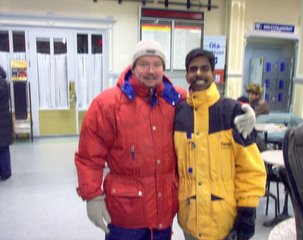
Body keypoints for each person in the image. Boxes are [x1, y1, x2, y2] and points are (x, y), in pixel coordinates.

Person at [74, 40, 256, 240]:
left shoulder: (176, 99)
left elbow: (206, 102)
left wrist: (242, 110)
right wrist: (92, 195)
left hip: (163, 215)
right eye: (144, 64)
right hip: (125, 215)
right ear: (133, 67)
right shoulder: (108, 104)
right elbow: (89, 156)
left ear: (163, 68)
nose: (150, 70)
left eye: (157, 64)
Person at [174, 48, 266, 240]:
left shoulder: (232, 112)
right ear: (187, 75)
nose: (198, 73)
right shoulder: (179, 113)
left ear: (213, 74)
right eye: (193, 69)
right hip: (190, 221)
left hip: (224, 223)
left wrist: (247, 212)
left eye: (204, 68)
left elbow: (250, 168)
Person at [0, 66, 13, 181]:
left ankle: (5, 172)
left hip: (2, 120)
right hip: (4, 119)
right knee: (4, 148)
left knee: (3, 148)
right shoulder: (5, 83)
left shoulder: (1, 84)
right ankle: (5, 170)